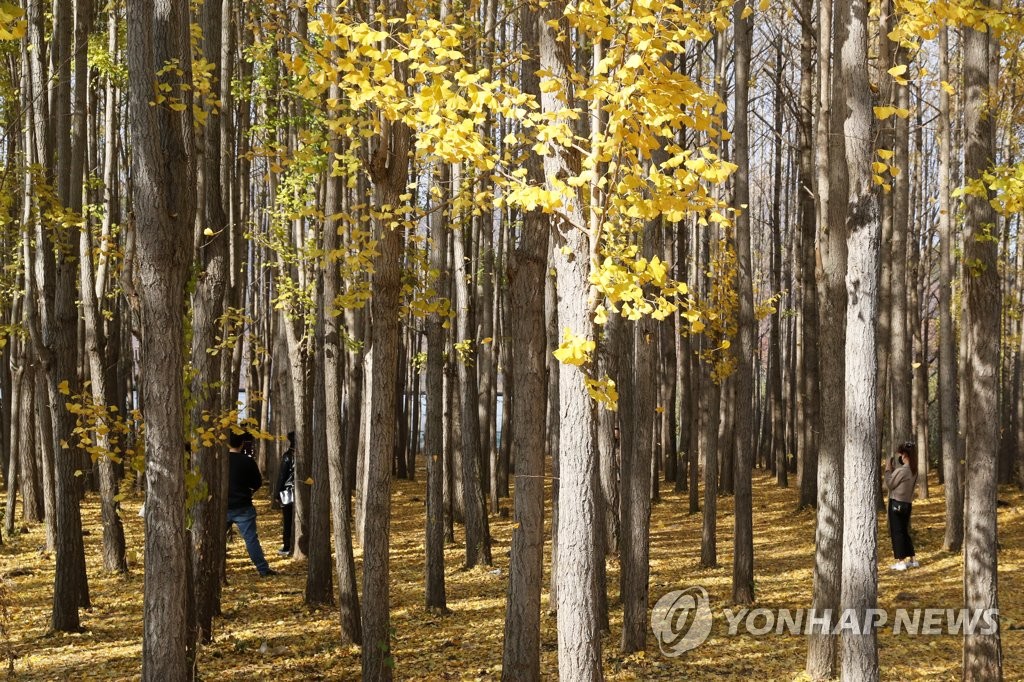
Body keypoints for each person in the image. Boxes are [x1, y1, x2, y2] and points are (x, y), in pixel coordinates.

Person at [226, 430, 276, 576]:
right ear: (241, 444)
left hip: (224, 507)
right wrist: (249, 491)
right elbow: (257, 483)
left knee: (215, 540)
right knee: (251, 540)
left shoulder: (220, 462)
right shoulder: (247, 461)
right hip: (243, 506)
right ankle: (263, 569)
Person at [884, 440, 919, 571]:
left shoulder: (903, 470)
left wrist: (887, 469)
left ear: (905, 455)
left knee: (897, 532)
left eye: (901, 454)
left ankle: (900, 561)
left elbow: (890, 484)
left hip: (896, 504)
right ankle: (912, 559)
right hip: (907, 504)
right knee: (904, 532)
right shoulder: (913, 470)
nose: (900, 457)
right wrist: (894, 472)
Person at [274, 432, 296, 556]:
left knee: (288, 520)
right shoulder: (307, 455)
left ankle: (287, 546)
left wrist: (277, 494)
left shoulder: (287, 456)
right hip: (298, 492)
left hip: (288, 493)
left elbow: (282, 476)